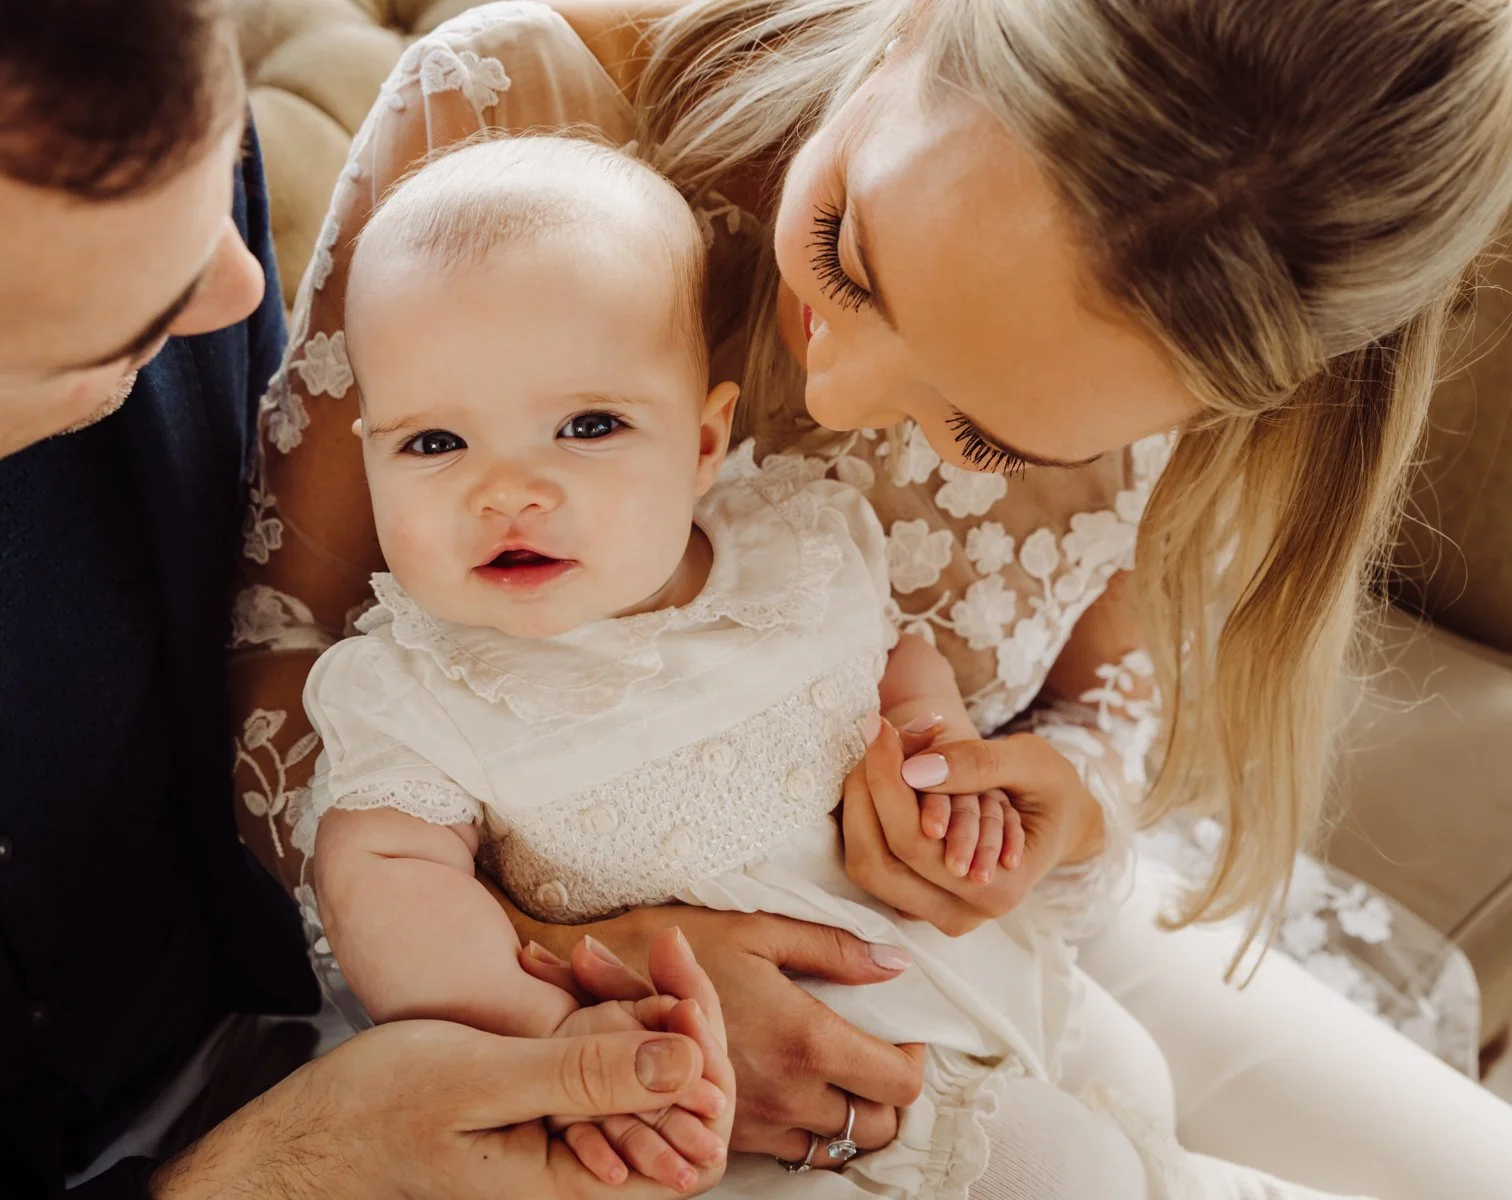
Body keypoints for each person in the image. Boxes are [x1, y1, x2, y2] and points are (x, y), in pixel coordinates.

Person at [231, 1, 1512, 1196]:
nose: (834, 394)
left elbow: (1105, 691)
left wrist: (1058, 797)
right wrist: (587, 982)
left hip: (995, 942)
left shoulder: (1229, 293)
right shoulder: (508, 113)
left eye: (995, 437)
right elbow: (284, 668)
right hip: (614, 989)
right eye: (846, 257)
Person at [0, 2, 733, 1196]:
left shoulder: (133, 145)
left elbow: (304, 623)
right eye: (122, 319)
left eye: (220, 168)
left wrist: (551, 957)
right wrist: (272, 1172)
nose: (244, 290)